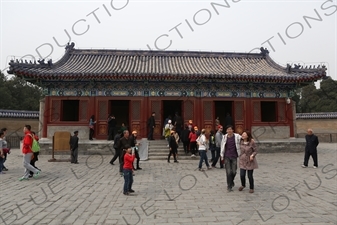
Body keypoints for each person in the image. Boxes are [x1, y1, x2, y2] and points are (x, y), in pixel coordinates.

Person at [220, 125, 241, 192]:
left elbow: (244, 138)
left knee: (234, 171)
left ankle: (231, 181)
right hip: (227, 156)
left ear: (232, 130)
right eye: (228, 129)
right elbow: (222, 146)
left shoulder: (237, 136)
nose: (229, 131)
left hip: (234, 155)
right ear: (226, 131)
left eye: (230, 129)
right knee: (228, 172)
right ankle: (229, 186)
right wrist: (221, 155)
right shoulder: (224, 137)